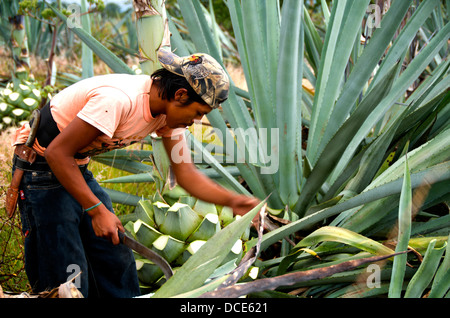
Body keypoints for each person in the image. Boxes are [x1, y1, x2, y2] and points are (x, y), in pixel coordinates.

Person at [9, 49, 260, 297]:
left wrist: (235, 201)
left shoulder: (167, 114)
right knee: (66, 271)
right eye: (198, 113)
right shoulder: (118, 100)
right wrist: (96, 210)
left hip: (75, 166)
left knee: (115, 256)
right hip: (40, 169)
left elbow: (186, 175)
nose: (195, 121)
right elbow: (56, 153)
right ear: (181, 94)